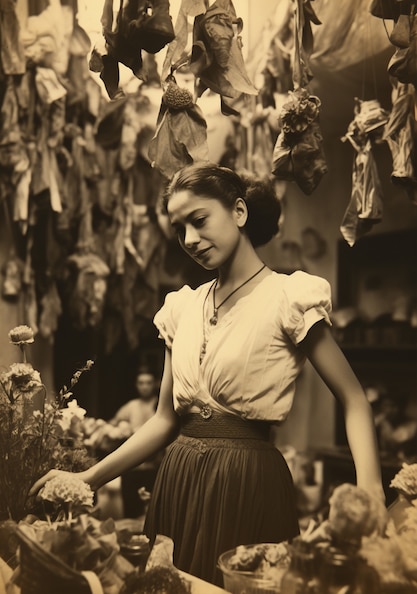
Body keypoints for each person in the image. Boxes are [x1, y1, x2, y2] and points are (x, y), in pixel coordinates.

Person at [31, 162, 386, 586]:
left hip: (248, 483)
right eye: (180, 229)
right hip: (177, 481)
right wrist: (86, 478)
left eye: (199, 221)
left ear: (238, 212)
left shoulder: (288, 297)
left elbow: (354, 400)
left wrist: (371, 492)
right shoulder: (182, 307)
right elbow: (164, 420)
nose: (190, 240)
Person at [109, 367, 161, 518]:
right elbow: (111, 425)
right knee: (130, 512)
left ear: (155, 384)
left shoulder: (161, 405)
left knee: (153, 512)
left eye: (148, 382)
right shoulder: (131, 406)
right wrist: (120, 431)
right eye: (141, 383)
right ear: (136, 385)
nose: (145, 386)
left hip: (154, 467)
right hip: (132, 467)